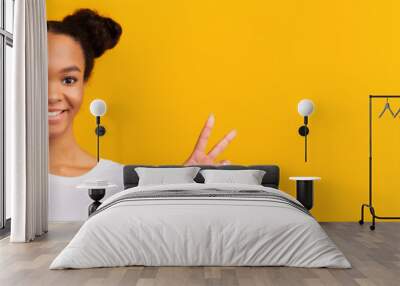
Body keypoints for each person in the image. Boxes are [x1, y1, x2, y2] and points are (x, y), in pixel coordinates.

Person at [47, 9, 237, 221]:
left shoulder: (122, 180)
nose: (53, 95)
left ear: (85, 82)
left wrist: (182, 183)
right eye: (37, 76)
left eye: (69, 80)